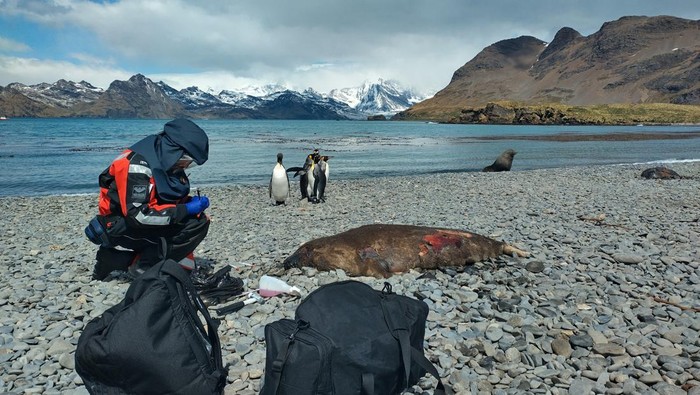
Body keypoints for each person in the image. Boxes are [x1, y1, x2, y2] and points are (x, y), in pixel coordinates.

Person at [86, 119, 211, 281]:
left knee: (199, 221)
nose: (187, 166)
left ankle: (117, 259)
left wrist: (188, 202)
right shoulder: (137, 166)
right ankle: (141, 266)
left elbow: (160, 196)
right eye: (188, 160)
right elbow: (139, 215)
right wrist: (186, 209)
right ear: (176, 151)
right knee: (191, 224)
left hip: (137, 222)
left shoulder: (165, 160)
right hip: (119, 225)